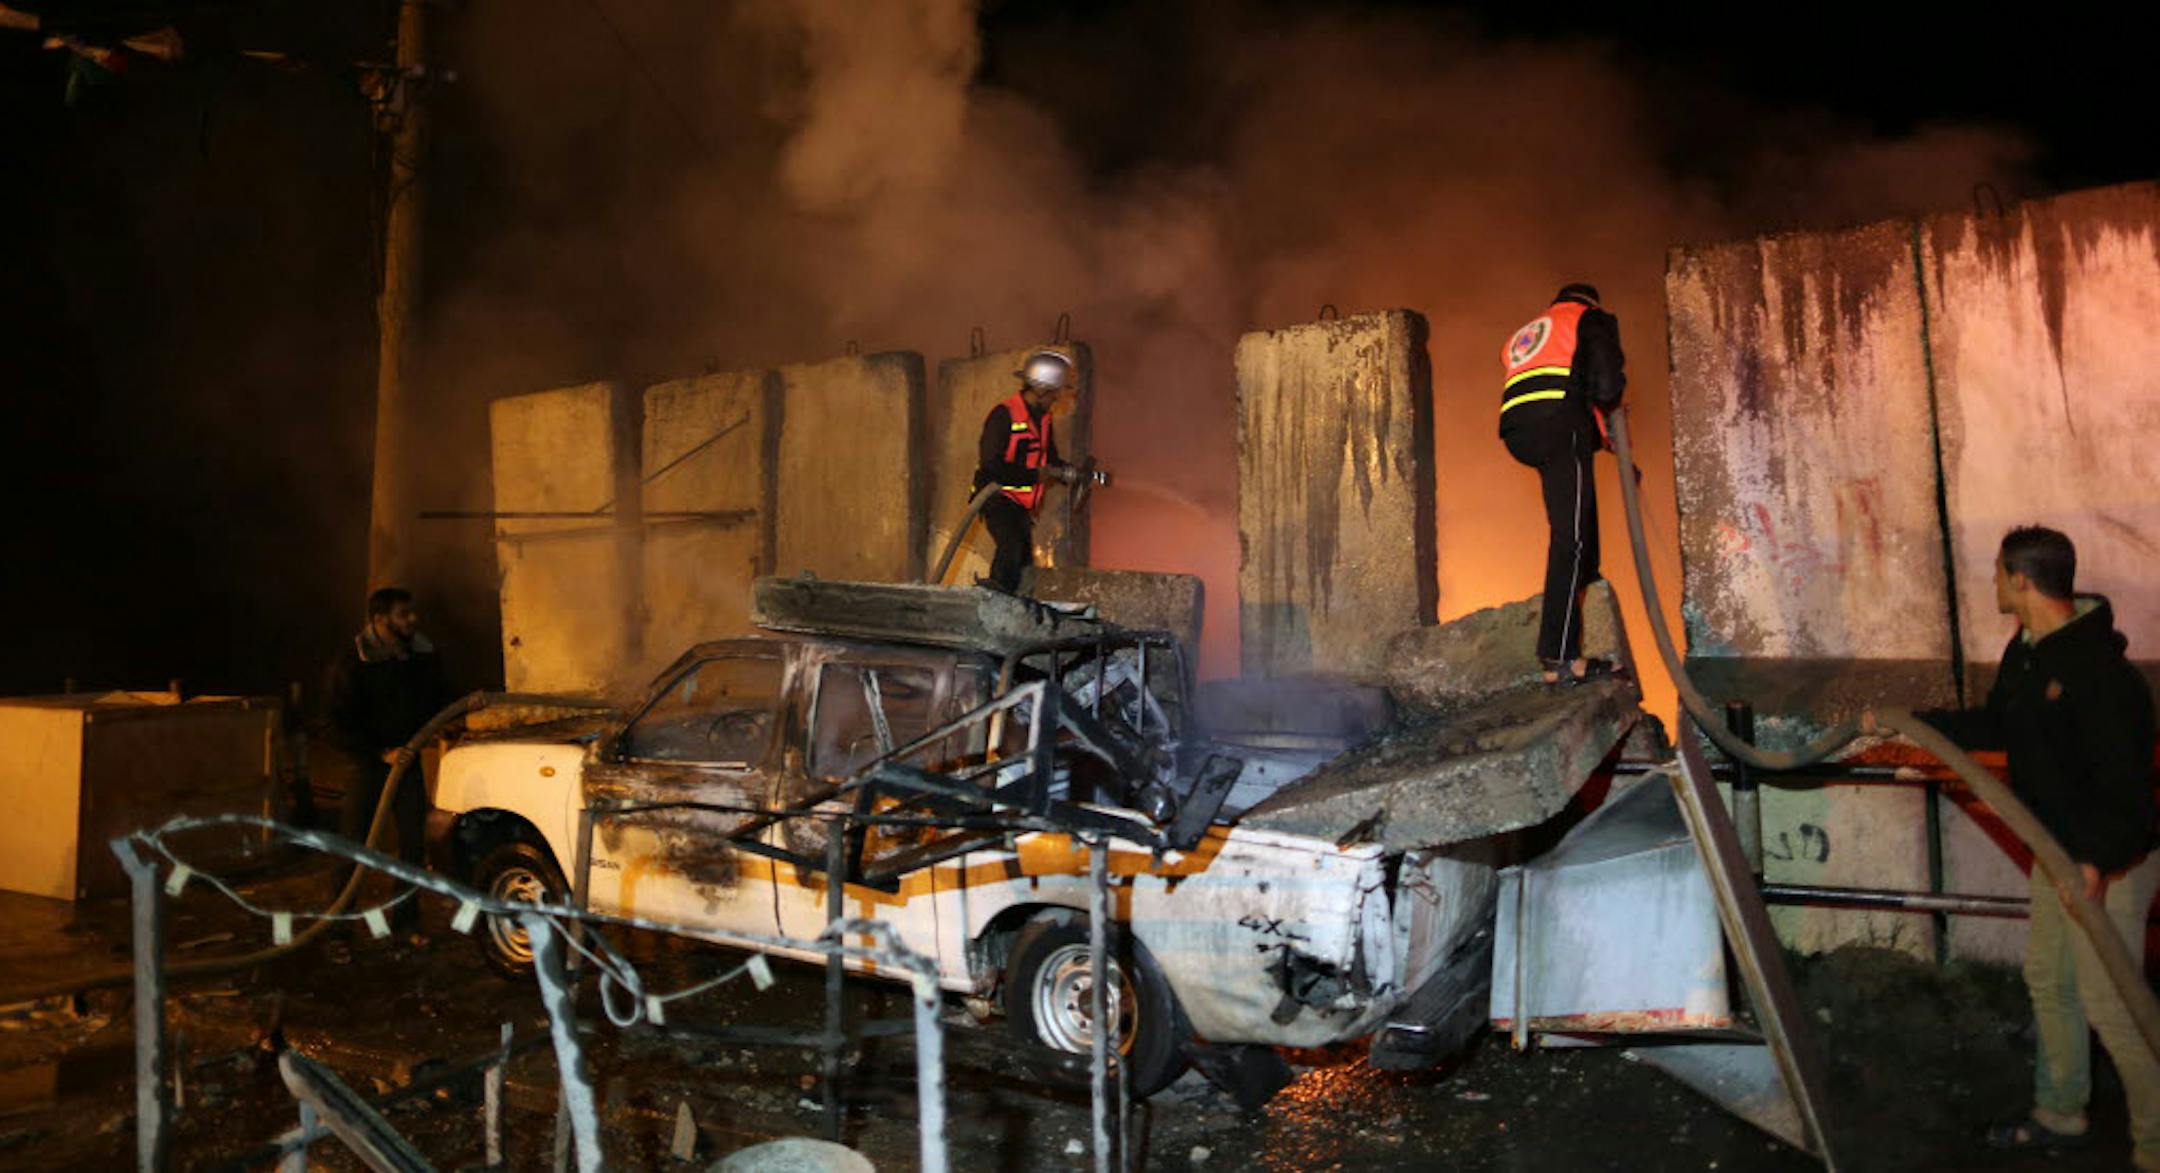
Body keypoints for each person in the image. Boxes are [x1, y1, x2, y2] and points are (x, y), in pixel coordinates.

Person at [1887, 527, 2156, 1166]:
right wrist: (1912, 725)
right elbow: (1998, 723)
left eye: (1998, 574)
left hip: (2113, 858)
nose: (1994, 584)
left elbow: (2130, 794)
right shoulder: (2028, 654)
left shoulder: (2103, 675)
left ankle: (2154, 1148)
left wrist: (2096, 861)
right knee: (2050, 979)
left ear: (2021, 580)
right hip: (2057, 849)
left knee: (2113, 1001)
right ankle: (2061, 1113)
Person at [1499, 282, 1627, 684]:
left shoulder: (1529, 331)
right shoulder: (1588, 318)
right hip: (1560, 425)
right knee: (1571, 539)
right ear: (1591, 301)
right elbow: (1606, 386)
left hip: (1520, 432)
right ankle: (1561, 658)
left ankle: (1580, 612)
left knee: (1580, 528)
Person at [315, 586, 450, 947]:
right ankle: (338, 932)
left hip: (407, 765)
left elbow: (438, 699)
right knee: (352, 848)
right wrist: (379, 753)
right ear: (379, 620)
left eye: (411, 612)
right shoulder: (351, 663)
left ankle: (406, 924)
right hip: (368, 766)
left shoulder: (421, 654)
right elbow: (330, 725)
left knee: (412, 848)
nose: (413, 620)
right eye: (403, 615)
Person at [974, 347, 1082, 593]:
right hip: (997, 497)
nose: (1057, 400)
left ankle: (1014, 602)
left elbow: (1049, 459)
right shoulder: (1003, 416)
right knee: (1010, 549)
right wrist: (1034, 475)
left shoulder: (1043, 419)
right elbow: (992, 465)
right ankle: (994, 598)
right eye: (1054, 394)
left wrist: (1069, 473)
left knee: (1024, 562)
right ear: (1041, 390)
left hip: (1021, 504)